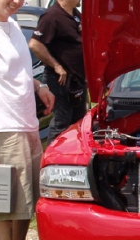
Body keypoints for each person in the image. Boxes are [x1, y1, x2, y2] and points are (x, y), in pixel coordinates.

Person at [0, 0, 54, 240]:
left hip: (27, 124)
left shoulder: (13, 26)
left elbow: (18, 70)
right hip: (2, 129)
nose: (17, 2)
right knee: (5, 204)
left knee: (26, 202)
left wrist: (38, 86)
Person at [29, 0, 86, 144]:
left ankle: (73, 157)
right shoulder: (52, 16)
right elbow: (35, 44)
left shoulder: (75, 14)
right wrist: (57, 66)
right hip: (60, 80)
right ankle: (54, 160)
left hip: (77, 80)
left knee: (78, 122)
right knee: (62, 122)